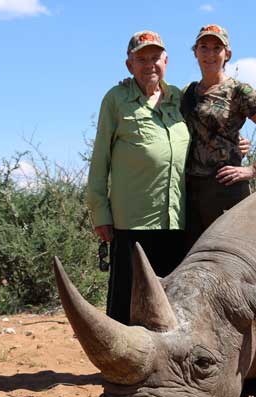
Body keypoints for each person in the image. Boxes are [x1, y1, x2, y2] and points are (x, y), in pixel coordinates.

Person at [86, 30, 190, 325]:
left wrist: (239, 145)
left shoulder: (180, 99)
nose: (149, 65)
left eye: (155, 58)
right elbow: (100, 160)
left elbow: (213, 128)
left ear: (166, 61)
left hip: (176, 220)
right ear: (129, 65)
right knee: (126, 305)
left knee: (171, 305)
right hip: (132, 221)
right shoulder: (116, 99)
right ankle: (118, 369)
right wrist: (100, 213)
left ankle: (166, 371)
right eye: (141, 58)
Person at [181, 24, 256, 246]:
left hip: (226, 189)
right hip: (190, 191)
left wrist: (254, 169)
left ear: (227, 54)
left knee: (231, 259)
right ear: (195, 52)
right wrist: (129, 85)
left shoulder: (239, 91)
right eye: (204, 47)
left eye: (217, 48)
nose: (210, 54)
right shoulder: (186, 93)